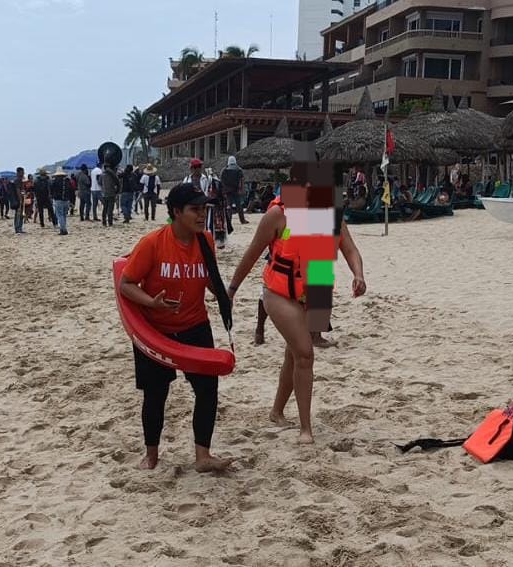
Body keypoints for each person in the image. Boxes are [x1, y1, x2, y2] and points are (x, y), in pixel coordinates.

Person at [226, 190, 367, 444]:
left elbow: (351, 250)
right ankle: (305, 430)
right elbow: (252, 254)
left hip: (314, 291)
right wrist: (232, 290)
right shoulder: (277, 216)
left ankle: (276, 412)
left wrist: (359, 275)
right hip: (278, 293)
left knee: (294, 353)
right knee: (305, 353)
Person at [120, 182, 233, 473]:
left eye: (204, 209)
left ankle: (202, 456)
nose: (201, 215)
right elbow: (126, 284)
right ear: (175, 212)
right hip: (156, 330)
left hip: (196, 325)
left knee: (207, 390)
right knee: (156, 394)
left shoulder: (205, 241)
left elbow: (208, 279)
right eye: (195, 209)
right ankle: (151, 455)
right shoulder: (153, 243)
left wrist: (223, 293)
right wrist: (151, 303)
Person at [220, 156, 248, 229]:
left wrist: (223, 190)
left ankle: (229, 221)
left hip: (228, 190)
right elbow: (241, 180)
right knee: (239, 206)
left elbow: (221, 181)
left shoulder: (224, 170)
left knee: (229, 206)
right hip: (236, 190)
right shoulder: (239, 169)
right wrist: (241, 189)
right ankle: (242, 220)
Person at [50, 168, 72, 235]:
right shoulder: (67, 181)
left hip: (58, 200)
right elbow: (71, 191)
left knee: (59, 215)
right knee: (64, 215)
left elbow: (51, 190)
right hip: (66, 200)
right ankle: (63, 228)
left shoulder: (54, 182)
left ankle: (63, 230)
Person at [101, 161, 120, 227]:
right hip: (111, 193)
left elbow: (99, 182)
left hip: (104, 193)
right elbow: (117, 182)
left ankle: (104, 222)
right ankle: (110, 222)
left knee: (105, 208)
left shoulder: (102, 174)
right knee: (110, 209)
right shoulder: (112, 174)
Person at [10, 167, 26, 234]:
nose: (23, 173)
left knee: (21, 214)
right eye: (22, 172)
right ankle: (17, 228)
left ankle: (20, 228)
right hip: (18, 200)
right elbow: (18, 190)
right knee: (18, 214)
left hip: (21, 199)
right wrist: (20, 200)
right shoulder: (17, 180)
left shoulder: (20, 180)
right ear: (19, 172)